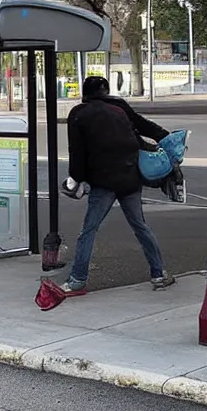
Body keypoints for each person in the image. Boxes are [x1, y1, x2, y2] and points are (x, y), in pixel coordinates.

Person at [61, 76, 175, 295]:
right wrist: (167, 138)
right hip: (130, 178)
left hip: (103, 181)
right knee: (140, 226)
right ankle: (158, 274)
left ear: (85, 93)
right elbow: (143, 126)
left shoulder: (78, 114)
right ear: (106, 91)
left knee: (89, 230)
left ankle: (77, 280)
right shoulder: (119, 107)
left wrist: (76, 179)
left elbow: (77, 153)